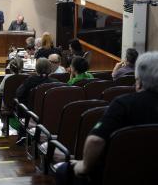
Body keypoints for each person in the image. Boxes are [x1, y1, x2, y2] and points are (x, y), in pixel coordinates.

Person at [56, 52, 158, 185]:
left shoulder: (123, 104)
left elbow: (95, 141)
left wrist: (85, 166)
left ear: (138, 80)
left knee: (63, 170)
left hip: (119, 172)